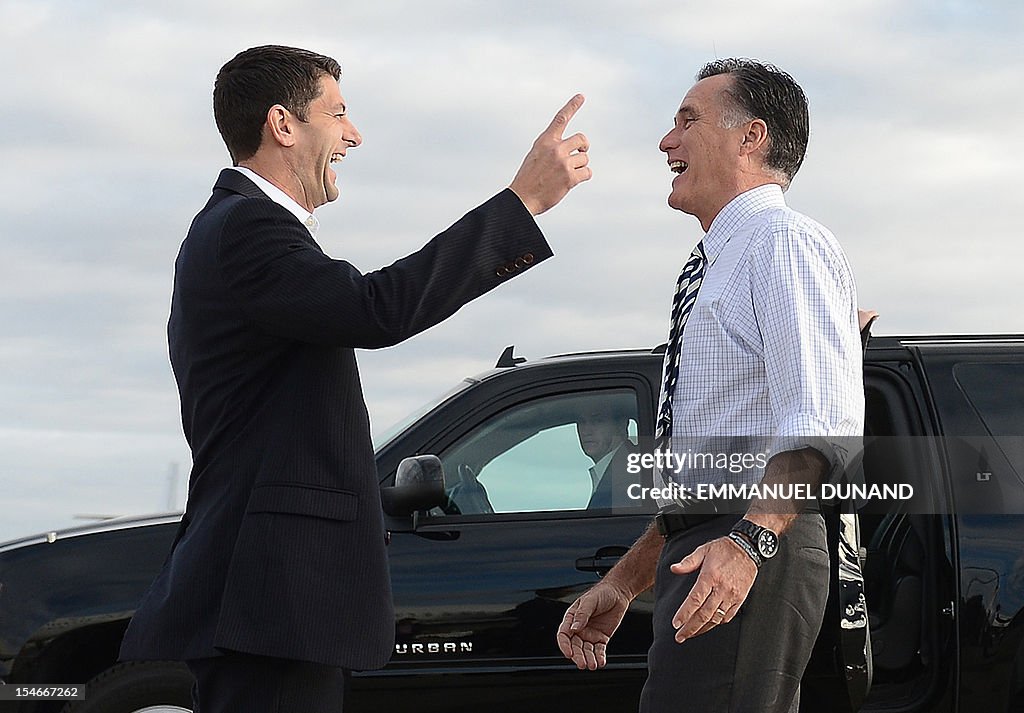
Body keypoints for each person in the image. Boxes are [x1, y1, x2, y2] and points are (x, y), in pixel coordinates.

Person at [118, 45, 590, 712]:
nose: (354, 133)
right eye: (337, 113)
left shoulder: (238, 228)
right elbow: (377, 308)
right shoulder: (248, 227)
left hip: (272, 604)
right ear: (283, 125)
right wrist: (522, 203)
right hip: (270, 601)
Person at [556, 58, 863, 713]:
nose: (667, 141)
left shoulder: (782, 242)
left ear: (750, 138)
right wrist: (624, 580)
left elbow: (826, 423)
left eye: (686, 121)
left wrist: (749, 543)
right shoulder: (717, 264)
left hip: (754, 541)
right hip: (716, 541)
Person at [576, 403, 647, 509]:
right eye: (581, 422)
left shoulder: (630, 477)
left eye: (597, 421)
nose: (586, 431)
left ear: (622, 425)